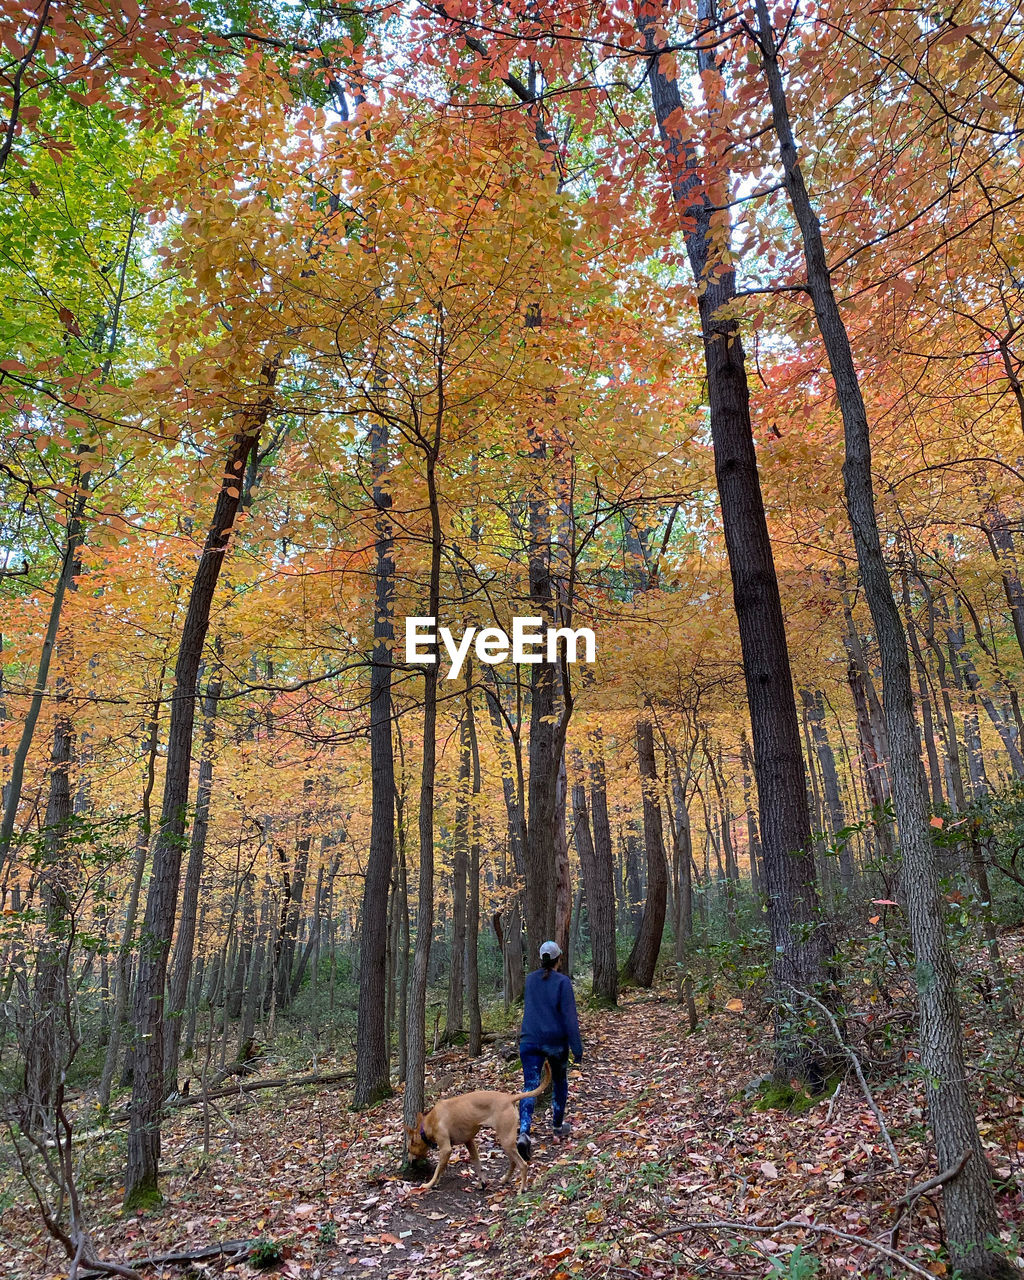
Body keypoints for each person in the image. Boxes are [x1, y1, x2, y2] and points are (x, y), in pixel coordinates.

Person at [516, 940, 583, 1160]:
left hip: (529, 1040)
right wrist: (577, 1048)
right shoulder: (563, 982)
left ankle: (524, 1132)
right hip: (555, 1042)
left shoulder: (530, 980)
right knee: (560, 1082)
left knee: (530, 1085)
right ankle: (556, 1127)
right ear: (558, 959)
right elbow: (570, 1018)